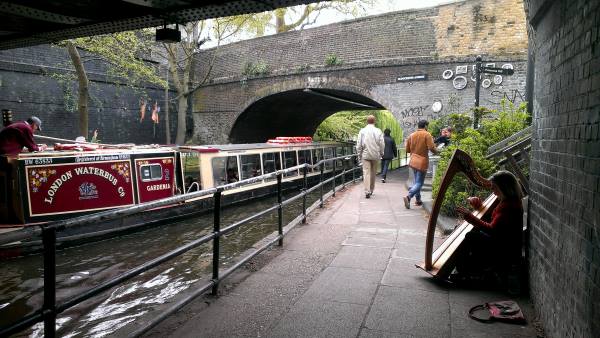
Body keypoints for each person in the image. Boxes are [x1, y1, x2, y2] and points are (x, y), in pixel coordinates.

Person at [453, 170, 524, 287]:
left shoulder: (509, 206)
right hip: (502, 241)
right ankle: (468, 271)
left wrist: (470, 217)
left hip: (505, 248)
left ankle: (466, 271)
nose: (492, 190)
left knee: (471, 236)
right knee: (472, 232)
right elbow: (496, 221)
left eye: (494, 187)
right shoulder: (508, 200)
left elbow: (492, 229)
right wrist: (479, 206)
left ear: (503, 188)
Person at [403, 120, 438, 208]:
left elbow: (407, 150)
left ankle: (418, 200)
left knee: (416, 181)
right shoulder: (427, 134)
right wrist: (436, 151)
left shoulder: (411, 135)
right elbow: (431, 147)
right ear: (425, 126)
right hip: (422, 161)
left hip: (413, 160)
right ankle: (409, 196)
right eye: (427, 126)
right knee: (419, 183)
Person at [356, 115, 384, 198]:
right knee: (373, 173)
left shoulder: (362, 131)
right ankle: (371, 190)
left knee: (366, 173)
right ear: (374, 121)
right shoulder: (378, 131)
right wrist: (381, 153)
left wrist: (359, 154)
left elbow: (359, 144)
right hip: (375, 155)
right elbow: (381, 143)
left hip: (365, 154)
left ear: (366, 121)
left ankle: (367, 191)